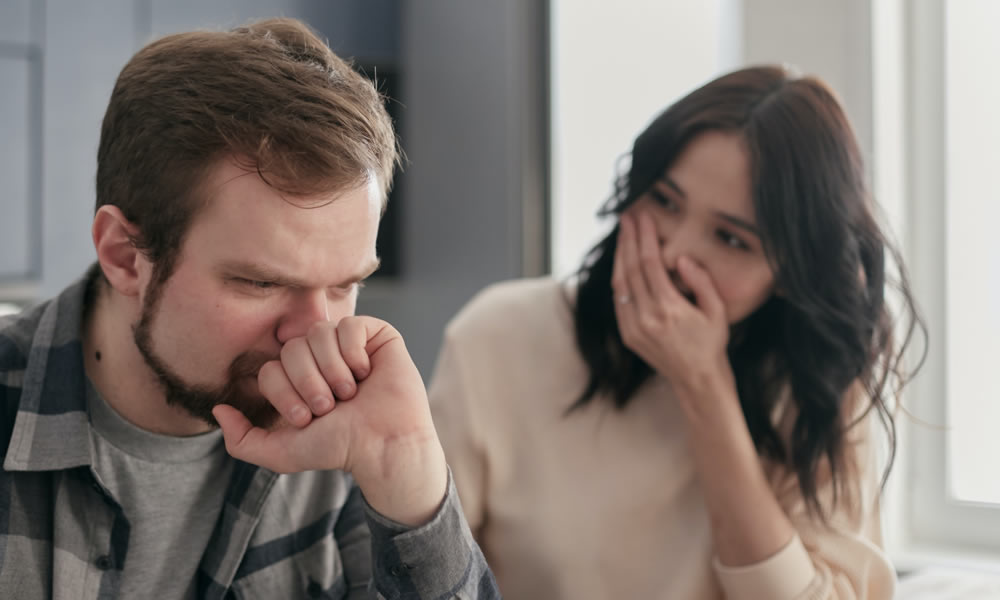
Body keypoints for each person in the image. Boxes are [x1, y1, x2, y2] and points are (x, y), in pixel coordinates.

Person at [0, 18, 498, 600]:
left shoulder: (346, 445)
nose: (314, 335)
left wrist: (404, 467)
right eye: (261, 282)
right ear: (125, 256)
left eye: (344, 285)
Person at [428, 65, 924, 599]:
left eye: (731, 240)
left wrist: (704, 388)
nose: (671, 254)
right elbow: (416, 577)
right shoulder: (499, 337)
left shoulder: (826, 385)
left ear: (787, 273)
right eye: (664, 201)